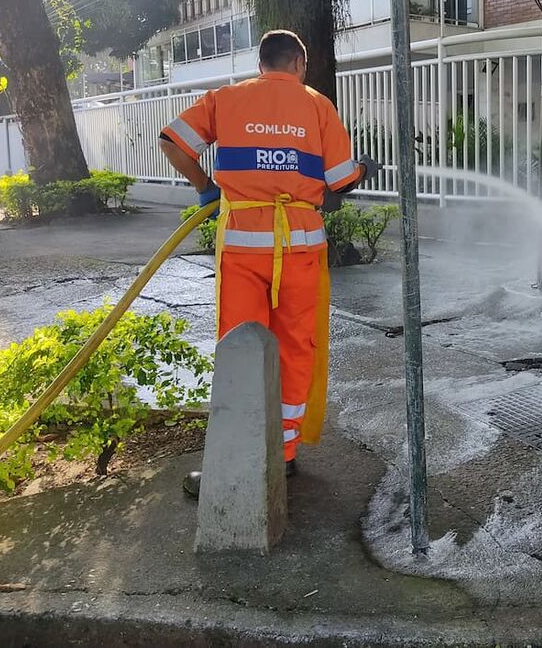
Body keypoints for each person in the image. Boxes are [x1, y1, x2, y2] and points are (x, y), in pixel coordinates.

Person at [158, 29, 378, 498]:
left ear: (262, 64)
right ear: (299, 63)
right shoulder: (317, 105)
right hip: (299, 250)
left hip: (241, 248)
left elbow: (173, 142)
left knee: (239, 348)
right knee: (296, 346)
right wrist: (361, 171)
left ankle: (236, 456)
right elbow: (340, 181)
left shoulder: (226, 99)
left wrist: (205, 187)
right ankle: (284, 455)